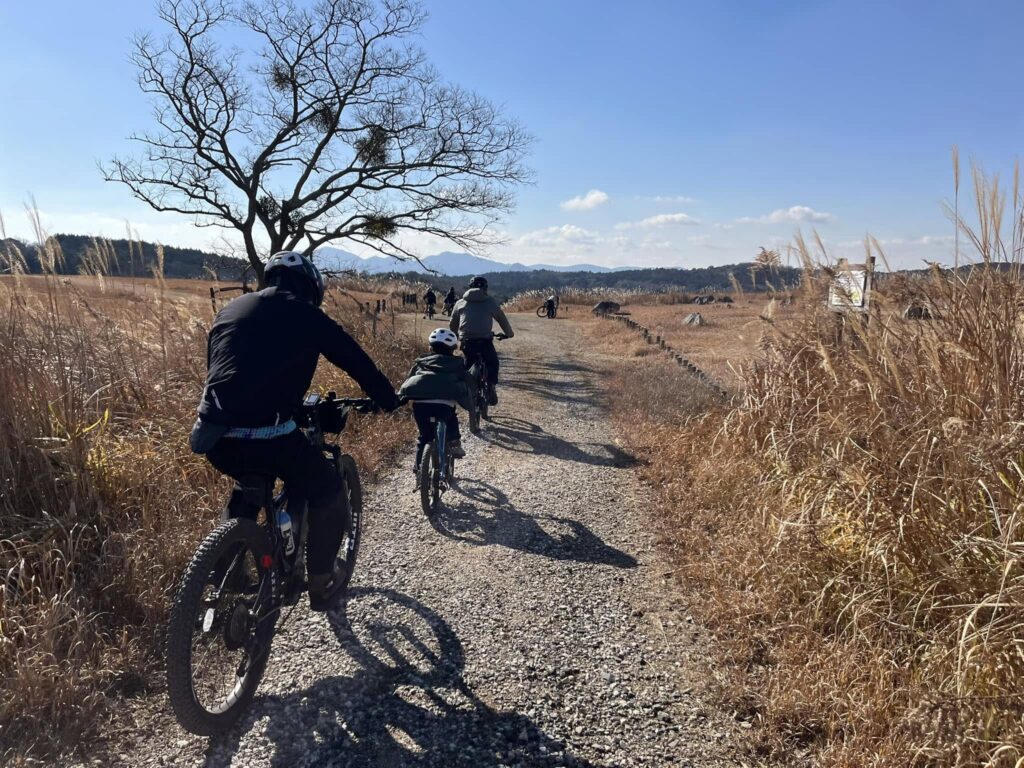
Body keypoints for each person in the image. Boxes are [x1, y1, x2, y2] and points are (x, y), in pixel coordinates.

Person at [189, 250, 400, 612]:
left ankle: (227, 570)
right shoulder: (308, 315)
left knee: (248, 483)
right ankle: (321, 583)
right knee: (328, 491)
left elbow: (231, 375)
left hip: (214, 437)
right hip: (269, 439)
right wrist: (388, 399)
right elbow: (356, 361)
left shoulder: (230, 309)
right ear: (311, 286)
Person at [398, 328, 475, 484]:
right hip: (444, 406)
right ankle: (454, 442)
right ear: (453, 349)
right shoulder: (457, 364)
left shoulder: (420, 363)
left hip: (420, 406)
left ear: (430, 348)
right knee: (451, 418)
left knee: (424, 437)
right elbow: (470, 383)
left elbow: (410, 380)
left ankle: (419, 470)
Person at [449, 276, 514, 405]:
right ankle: (491, 386)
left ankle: (468, 391)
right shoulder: (489, 301)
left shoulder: (460, 302)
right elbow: (502, 319)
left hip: (467, 341)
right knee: (493, 362)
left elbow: (453, 323)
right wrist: (509, 334)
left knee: (467, 366)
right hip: (484, 341)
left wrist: (455, 336)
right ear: (485, 288)